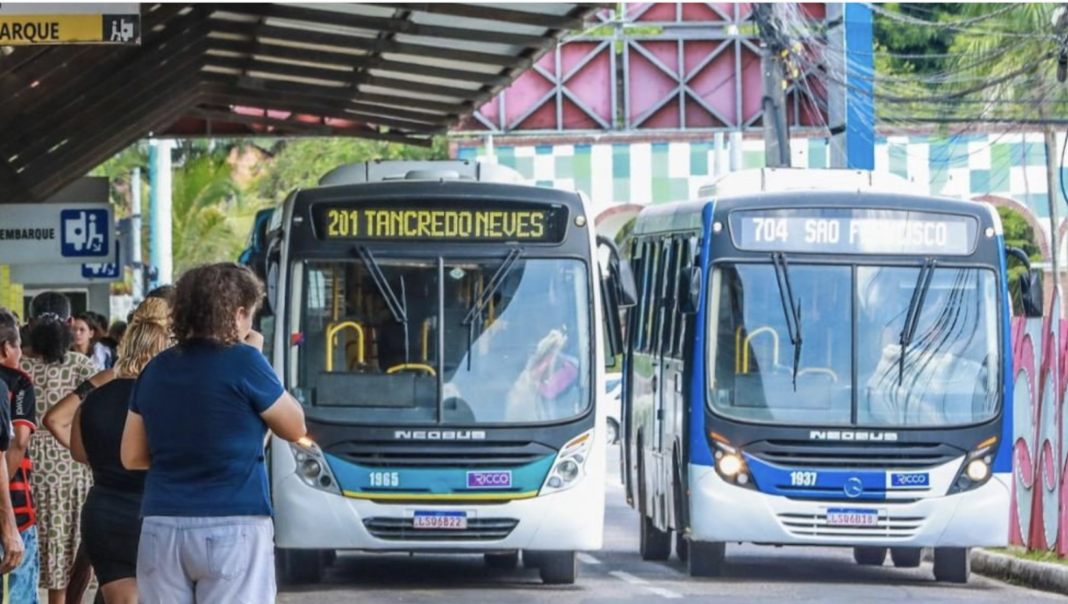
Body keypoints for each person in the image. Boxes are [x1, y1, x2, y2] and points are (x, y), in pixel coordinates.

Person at [122, 263, 306, 603]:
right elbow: (295, 427)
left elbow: (131, 456)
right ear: (237, 315)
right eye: (250, 315)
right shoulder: (246, 362)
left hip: (161, 526)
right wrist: (254, 355)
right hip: (233, 524)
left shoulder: (155, 368)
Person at [44, 299, 171, 604]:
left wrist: (110, 462)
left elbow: (77, 451)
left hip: (105, 514)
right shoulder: (169, 397)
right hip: (159, 514)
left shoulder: (95, 396)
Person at [21, 293, 96, 604]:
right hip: (72, 472)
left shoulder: (16, 365)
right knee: (71, 557)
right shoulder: (83, 367)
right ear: (69, 324)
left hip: (24, 473)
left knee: (30, 555)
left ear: (29, 324)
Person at [0, 308, 40, 604]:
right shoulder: (17, 381)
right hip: (15, 507)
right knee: (22, 592)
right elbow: (19, 441)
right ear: (6, 348)